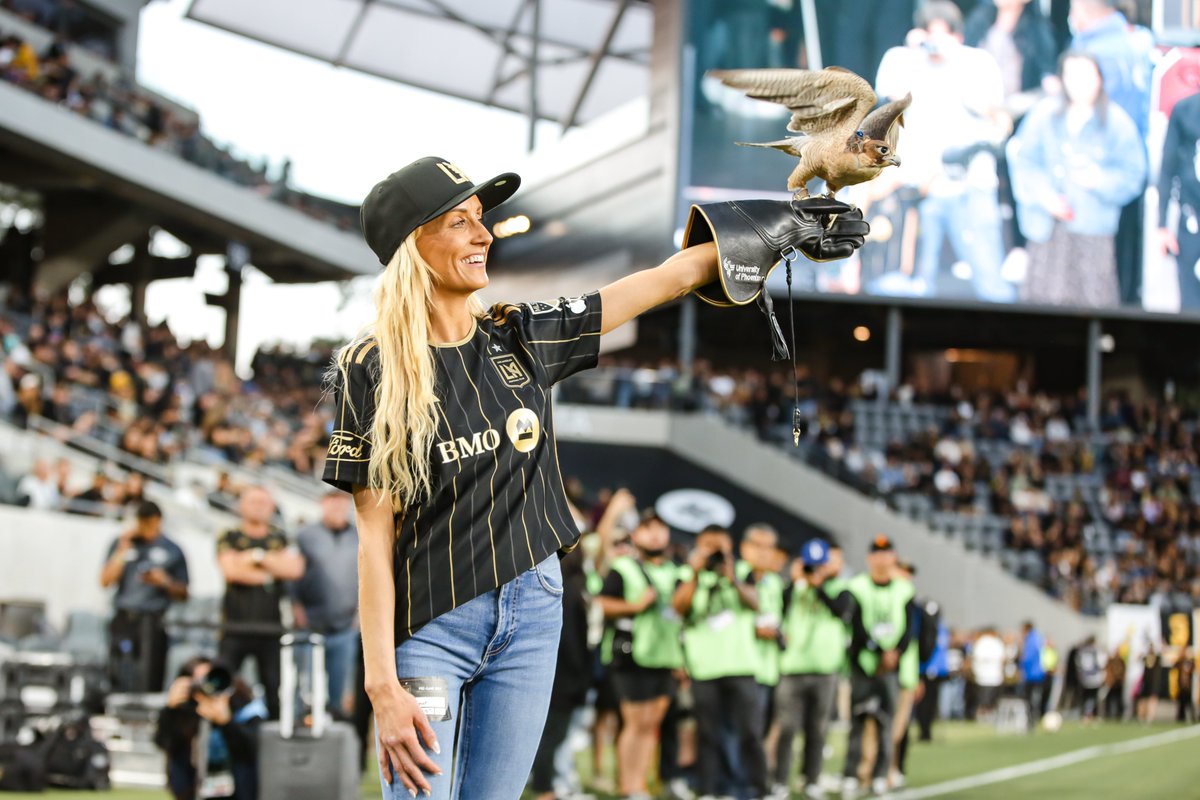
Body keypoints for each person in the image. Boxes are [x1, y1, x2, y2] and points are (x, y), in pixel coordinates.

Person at [322, 156, 867, 800]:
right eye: (460, 222)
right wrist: (382, 684)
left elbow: (663, 280)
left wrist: (780, 225)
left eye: (482, 220)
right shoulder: (369, 366)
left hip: (533, 614)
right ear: (414, 243)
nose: (484, 234)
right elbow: (373, 541)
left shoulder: (520, 335)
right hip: (433, 626)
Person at [874, 0, 1016, 303]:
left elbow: (999, 119)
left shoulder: (978, 63)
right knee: (915, 288)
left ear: (959, 37)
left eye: (944, 35)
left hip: (969, 187)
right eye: (930, 35)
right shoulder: (905, 61)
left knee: (990, 283)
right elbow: (889, 98)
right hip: (920, 190)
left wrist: (953, 63)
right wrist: (915, 54)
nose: (936, 44)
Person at [1006, 51, 1145, 306]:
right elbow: (1024, 160)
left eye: (1086, 75)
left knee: (1092, 305)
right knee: (1040, 306)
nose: (1079, 83)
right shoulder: (1044, 114)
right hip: (1046, 229)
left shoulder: (1117, 123)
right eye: (1072, 75)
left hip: (1092, 232)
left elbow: (1134, 175)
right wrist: (1044, 196)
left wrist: (1099, 180)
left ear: (1099, 79)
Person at [674, 525, 768, 800]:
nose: (714, 553)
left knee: (749, 732)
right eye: (708, 546)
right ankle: (709, 789)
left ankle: (756, 788)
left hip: (741, 666)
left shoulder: (742, 572)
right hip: (704, 668)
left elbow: (756, 603)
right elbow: (679, 607)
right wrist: (694, 573)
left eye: (720, 547)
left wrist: (732, 579)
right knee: (708, 733)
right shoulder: (687, 575)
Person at [1068, 0, 1153, 305]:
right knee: (1127, 255)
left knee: (1101, 260)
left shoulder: (1096, 49)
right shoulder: (1141, 39)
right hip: (1133, 160)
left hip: (1101, 166)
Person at [596, 509, 684, 799]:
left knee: (651, 725)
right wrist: (634, 607)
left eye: (660, 528)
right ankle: (628, 786)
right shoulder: (624, 568)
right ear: (635, 535)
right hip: (631, 657)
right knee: (634, 724)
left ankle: (640, 785)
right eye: (648, 528)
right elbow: (602, 603)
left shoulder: (677, 571)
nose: (655, 534)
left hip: (666, 657)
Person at [216, 485, 305, 720]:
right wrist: (271, 571)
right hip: (235, 626)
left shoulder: (279, 536)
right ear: (242, 505)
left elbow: (294, 569)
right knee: (220, 682)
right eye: (254, 502)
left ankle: (275, 741)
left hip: (270, 628)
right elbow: (231, 571)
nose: (259, 507)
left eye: (264, 502)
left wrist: (255, 558)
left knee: (275, 688)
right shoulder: (229, 536)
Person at [838, 535, 915, 798]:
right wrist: (880, 651)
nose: (882, 559)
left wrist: (895, 654)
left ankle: (880, 775)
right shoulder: (857, 586)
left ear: (893, 558)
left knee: (886, 724)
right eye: (877, 554)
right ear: (869, 558)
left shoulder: (904, 588)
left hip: (891, 668)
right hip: (864, 664)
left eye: (887, 554)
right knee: (858, 722)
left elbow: (908, 627)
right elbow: (856, 626)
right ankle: (851, 774)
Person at [772, 539, 847, 800]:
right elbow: (780, 608)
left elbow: (841, 611)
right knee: (787, 729)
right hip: (792, 668)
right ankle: (779, 780)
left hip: (825, 669)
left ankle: (811, 778)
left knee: (817, 729)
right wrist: (796, 581)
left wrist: (819, 586)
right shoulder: (793, 588)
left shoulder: (840, 588)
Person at [99, 500, 189, 692]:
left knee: (150, 674)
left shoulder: (172, 549)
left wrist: (164, 581)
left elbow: (184, 592)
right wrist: (122, 551)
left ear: (157, 521)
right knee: (119, 669)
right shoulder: (123, 544)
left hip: (153, 620)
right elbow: (105, 581)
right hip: (124, 617)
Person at [155, 656, 267, 800]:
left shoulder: (244, 708)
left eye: (211, 678)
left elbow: (252, 751)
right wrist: (170, 711)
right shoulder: (185, 711)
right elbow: (165, 743)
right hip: (192, 792)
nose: (206, 687)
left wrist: (226, 722)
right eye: (198, 681)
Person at [291, 490, 359, 714]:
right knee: (305, 686)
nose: (338, 510)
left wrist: (360, 615)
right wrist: (295, 606)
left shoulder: (358, 535)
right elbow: (293, 574)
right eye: (333, 504)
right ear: (323, 505)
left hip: (345, 625)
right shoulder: (306, 535)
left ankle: (336, 729)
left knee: (339, 689)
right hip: (311, 623)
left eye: (342, 505)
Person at [1156, 92, 1200, 311]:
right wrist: (1162, 225)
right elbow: (1167, 167)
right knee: (1191, 303)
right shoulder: (1186, 109)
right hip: (1192, 218)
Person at [1019, 620, 1047, 727]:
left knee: (1029, 698)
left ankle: (1030, 720)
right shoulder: (1038, 638)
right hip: (1040, 673)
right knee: (1036, 697)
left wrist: (1022, 668)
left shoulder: (1030, 640)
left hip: (1031, 674)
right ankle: (1035, 717)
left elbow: (1028, 658)